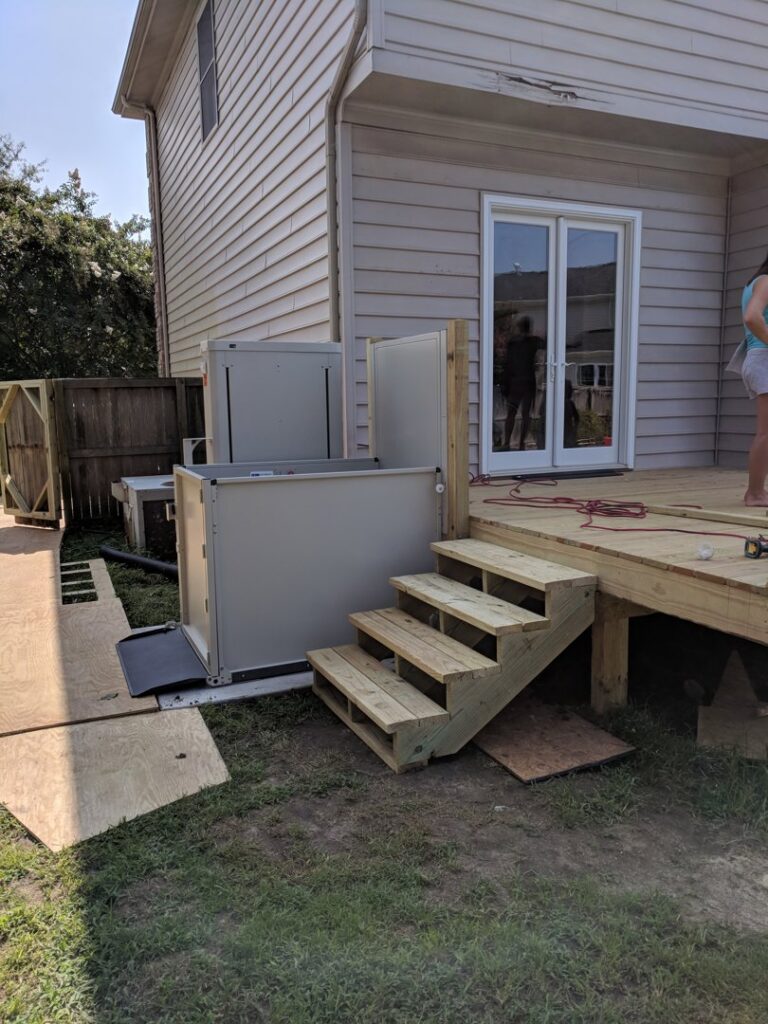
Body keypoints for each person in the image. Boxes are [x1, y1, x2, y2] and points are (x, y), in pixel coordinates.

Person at [740, 253, 768, 506]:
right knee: (765, 432)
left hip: (756, 357)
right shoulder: (767, 281)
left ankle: (758, 491)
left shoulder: (754, 281)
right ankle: (756, 493)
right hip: (764, 358)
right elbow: (752, 317)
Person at [502, 316, 543, 451]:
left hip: (515, 382)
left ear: (519, 328)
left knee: (511, 413)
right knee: (526, 415)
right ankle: (521, 444)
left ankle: (507, 442)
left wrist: (505, 384)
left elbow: (507, 364)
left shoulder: (512, 343)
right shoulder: (533, 342)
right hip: (527, 382)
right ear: (529, 328)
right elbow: (548, 342)